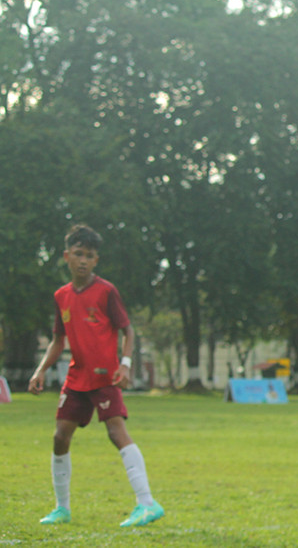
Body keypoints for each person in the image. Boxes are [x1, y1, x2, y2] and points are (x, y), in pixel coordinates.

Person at [28, 224, 165, 528]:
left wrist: (125, 364)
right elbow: (58, 340)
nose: (83, 260)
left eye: (89, 256)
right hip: (76, 379)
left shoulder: (106, 291)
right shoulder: (61, 296)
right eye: (78, 254)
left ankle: (147, 503)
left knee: (116, 433)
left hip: (105, 377)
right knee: (60, 437)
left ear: (96, 260)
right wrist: (41, 371)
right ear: (66, 256)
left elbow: (128, 330)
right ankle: (62, 509)